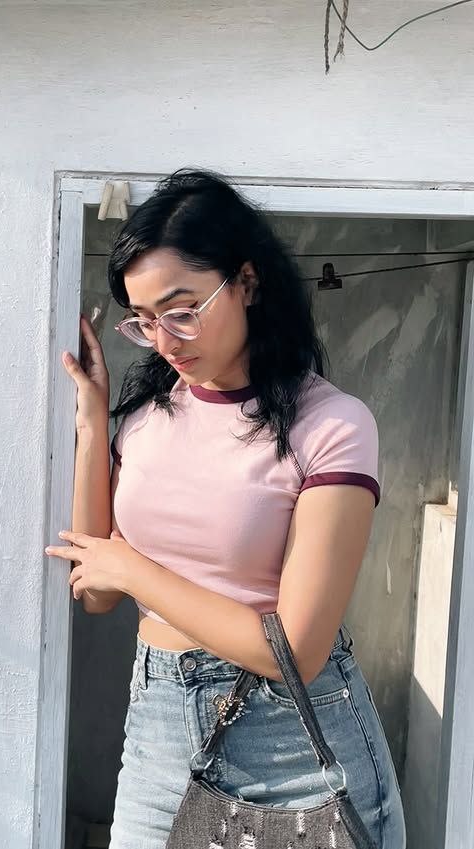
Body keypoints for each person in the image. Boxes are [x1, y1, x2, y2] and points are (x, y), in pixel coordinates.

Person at [45, 169, 406, 849]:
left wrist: (133, 570)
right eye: (144, 320)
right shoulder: (144, 422)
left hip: (294, 746)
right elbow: (96, 591)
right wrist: (93, 423)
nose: (165, 339)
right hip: (159, 726)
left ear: (246, 282)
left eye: (182, 310)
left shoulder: (332, 426)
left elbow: (295, 650)